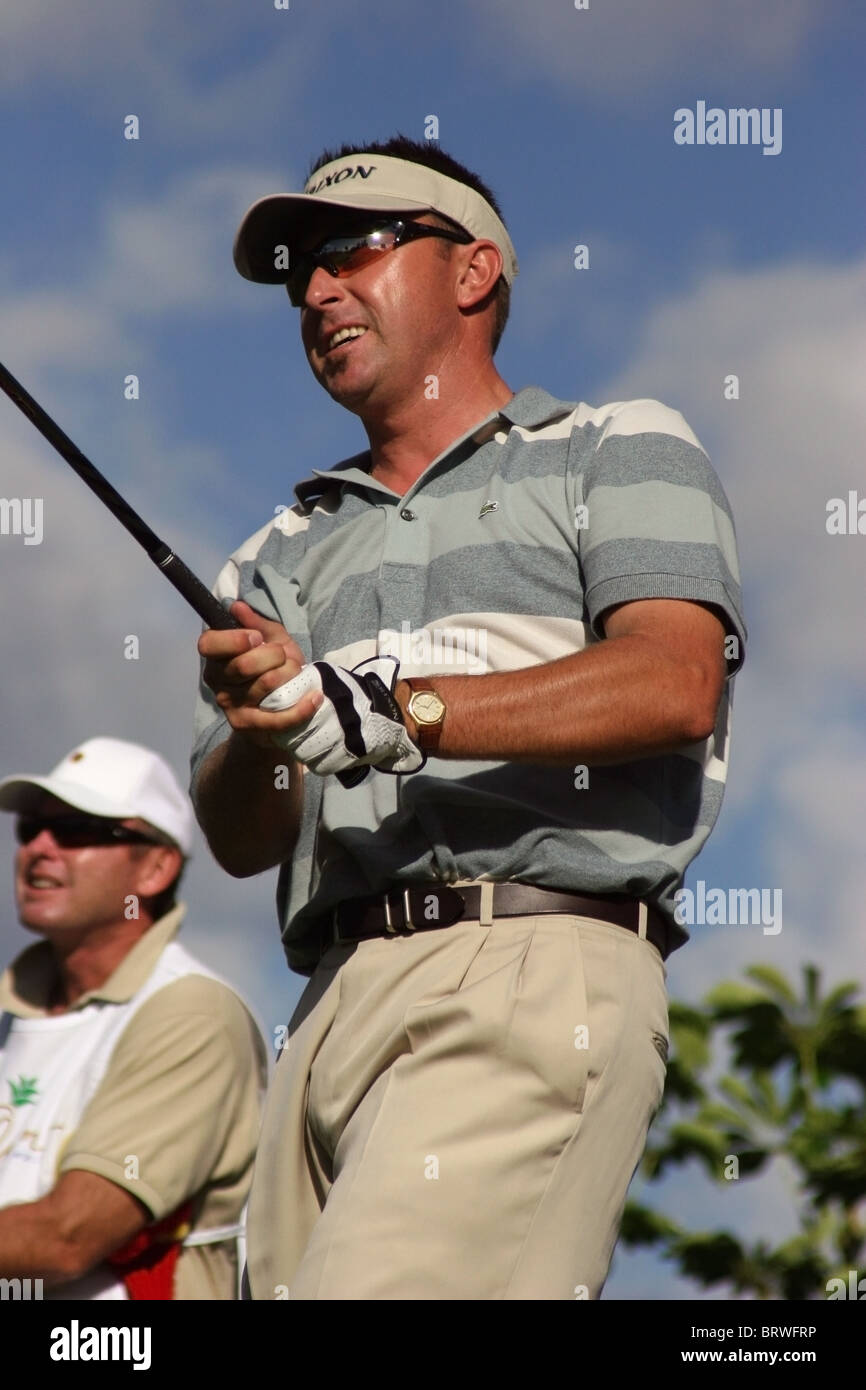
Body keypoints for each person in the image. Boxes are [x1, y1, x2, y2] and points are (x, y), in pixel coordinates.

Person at [191, 134, 747, 1300]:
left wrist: (393, 711)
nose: (316, 291)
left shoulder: (614, 445)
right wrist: (264, 727)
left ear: (473, 269)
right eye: (300, 273)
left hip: (534, 963)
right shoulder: (273, 550)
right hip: (327, 1001)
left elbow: (669, 679)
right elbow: (242, 838)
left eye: (351, 250)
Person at [0, 736, 267, 1300]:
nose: (40, 848)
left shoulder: (192, 1014)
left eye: (77, 831)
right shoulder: (11, 1013)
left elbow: (67, 1238)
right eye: (31, 828)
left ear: (156, 868)